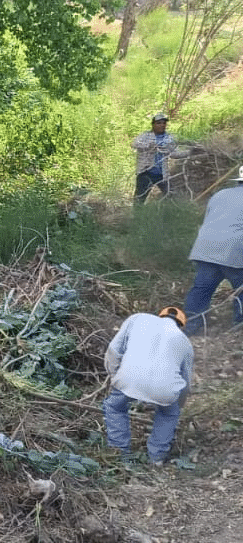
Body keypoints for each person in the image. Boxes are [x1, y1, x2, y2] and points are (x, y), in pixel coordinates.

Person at [103, 306, 194, 466]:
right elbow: (185, 382)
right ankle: (156, 457)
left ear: (160, 315)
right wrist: (178, 405)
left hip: (129, 378)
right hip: (165, 389)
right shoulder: (185, 342)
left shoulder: (137, 319)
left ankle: (119, 453)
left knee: (115, 407)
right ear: (181, 325)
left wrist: (114, 376)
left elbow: (114, 350)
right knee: (168, 414)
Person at [182, 165, 243, 334]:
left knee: (201, 289)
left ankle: (191, 327)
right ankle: (238, 329)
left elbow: (211, 219)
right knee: (241, 290)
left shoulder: (220, 194)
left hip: (206, 247)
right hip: (234, 250)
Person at [131, 113, 177, 203]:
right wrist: (149, 146)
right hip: (146, 172)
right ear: (153, 125)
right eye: (159, 123)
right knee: (139, 199)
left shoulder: (169, 138)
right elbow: (134, 144)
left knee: (171, 196)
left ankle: (168, 214)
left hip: (162, 174)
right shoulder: (145, 136)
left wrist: (189, 153)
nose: (162, 125)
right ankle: (137, 216)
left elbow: (175, 153)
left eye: (164, 123)